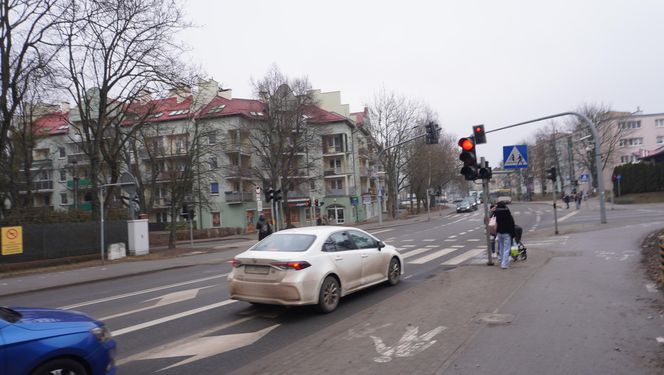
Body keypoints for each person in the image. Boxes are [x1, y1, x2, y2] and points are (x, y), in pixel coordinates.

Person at [494, 201, 516, 269]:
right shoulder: (508, 214)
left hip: (499, 232)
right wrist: (513, 234)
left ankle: (501, 261)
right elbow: (512, 225)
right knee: (506, 249)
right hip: (507, 233)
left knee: (501, 248)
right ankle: (504, 264)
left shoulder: (497, 213)